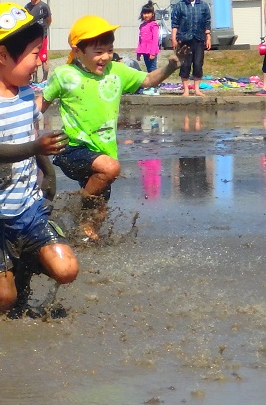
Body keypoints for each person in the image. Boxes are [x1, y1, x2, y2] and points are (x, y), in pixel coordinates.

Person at [0, 3, 78, 315]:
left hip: (28, 208)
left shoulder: (25, 92)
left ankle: (24, 263)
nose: (40, 60)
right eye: (33, 53)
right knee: (4, 300)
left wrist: (48, 177)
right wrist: (38, 147)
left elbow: (28, 137)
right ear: (2, 56)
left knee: (67, 270)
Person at [39, 15, 181, 241]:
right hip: (72, 149)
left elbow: (148, 80)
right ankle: (78, 204)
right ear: (77, 51)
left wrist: (171, 66)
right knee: (111, 168)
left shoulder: (117, 71)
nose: (105, 57)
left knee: (98, 214)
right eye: (98, 52)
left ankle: (83, 237)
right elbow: (40, 106)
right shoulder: (65, 75)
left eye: (109, 50)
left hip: (103, 151)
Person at [171, 0, 212, 97]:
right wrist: (174, 38)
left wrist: (208, 37)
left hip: (199, 39)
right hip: (184, 39)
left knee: (198, 64)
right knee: (185, 64)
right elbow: (175, 23)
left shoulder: (203, 6)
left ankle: (197, 89)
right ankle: (186, 90)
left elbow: (207, 22)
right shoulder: (180, 6)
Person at [25, 0, 53, 83]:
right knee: (33, 56)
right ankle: (34, 77)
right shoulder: (27, 6)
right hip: (31, 36)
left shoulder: (44, 6)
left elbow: (49, 20)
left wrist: (44, 28)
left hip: (42, 35)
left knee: (43, 57)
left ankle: (45, 78)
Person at [136, 2, 161, 76]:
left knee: (152, 68)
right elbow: (140, 40)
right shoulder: (142, 26)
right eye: (144, 13)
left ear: (152, 14)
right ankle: (152, 84)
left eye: (148, 13)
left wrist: (152, 53)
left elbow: (155, 40)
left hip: (151, 50)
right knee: (148, 68)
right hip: (144, 50)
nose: (146, 15)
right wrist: (138, 52)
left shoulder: (154, 25)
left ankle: (154, 84)